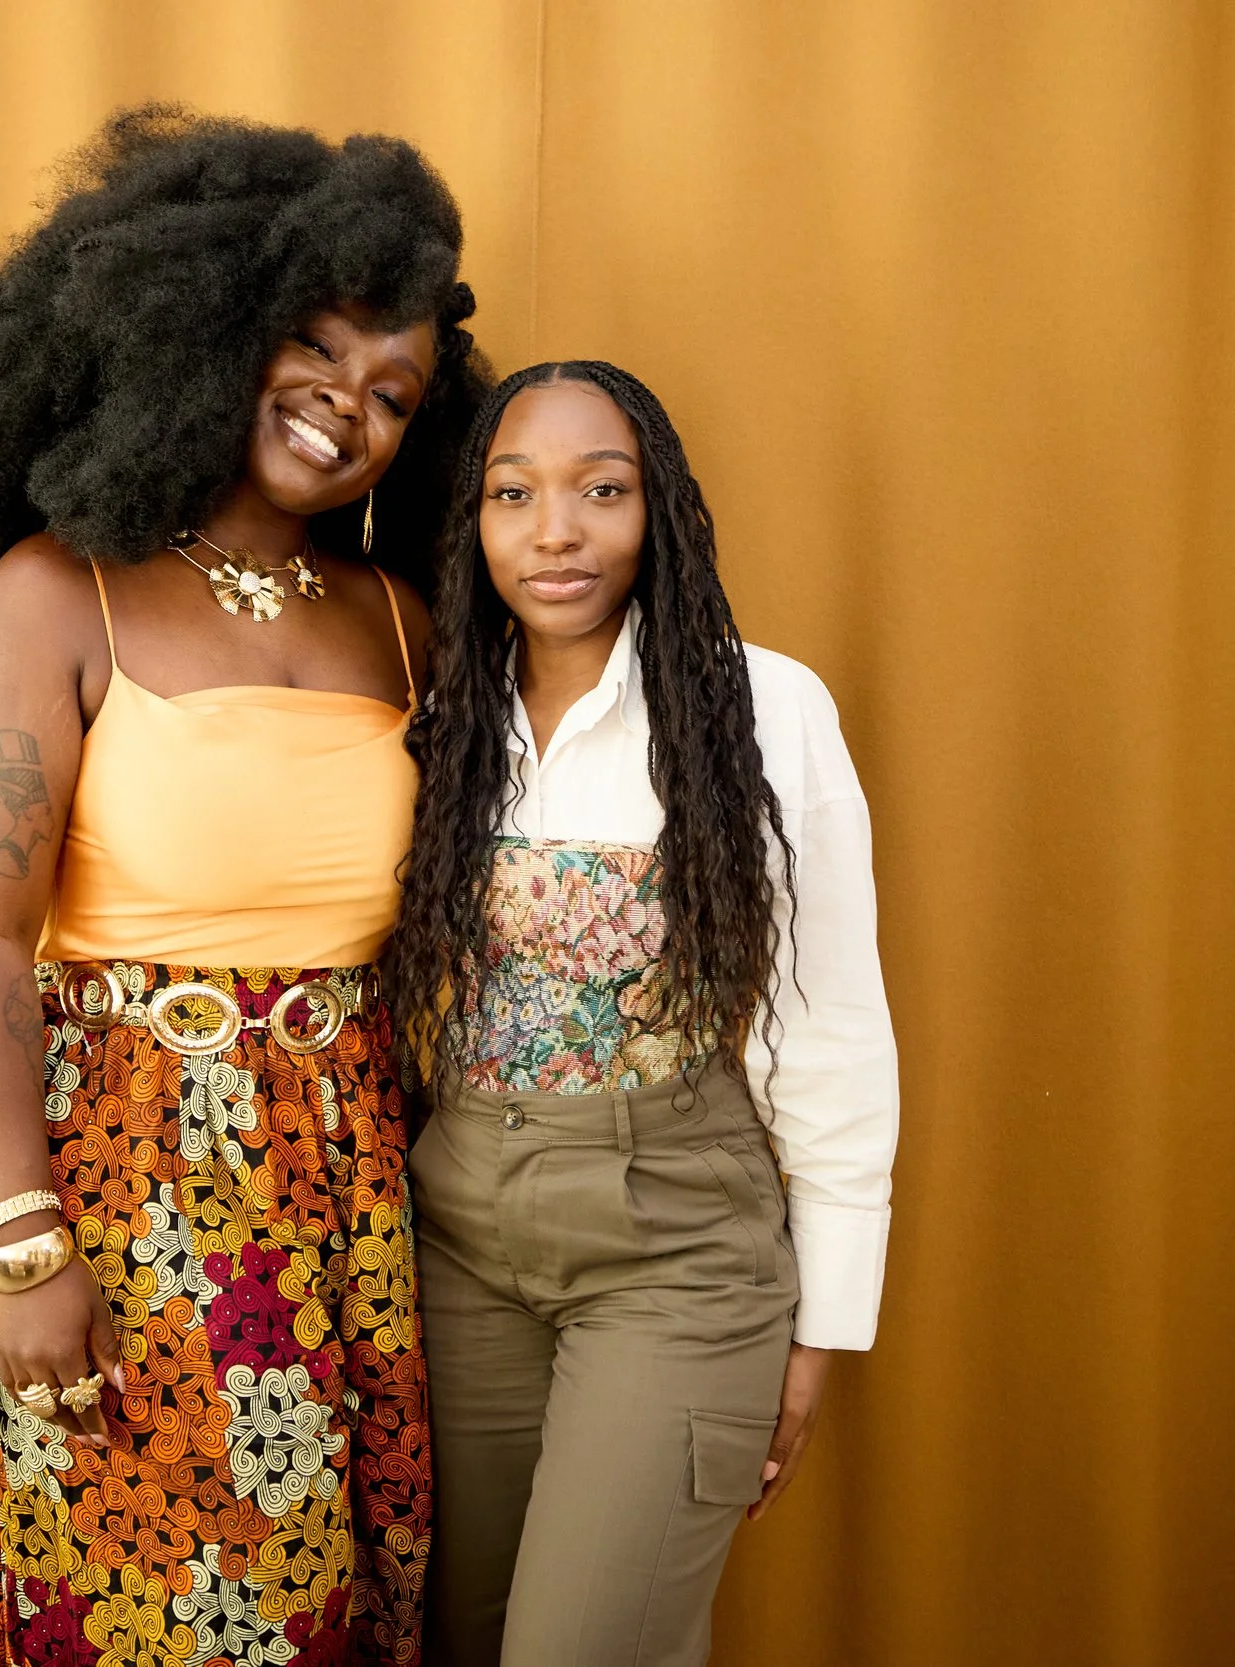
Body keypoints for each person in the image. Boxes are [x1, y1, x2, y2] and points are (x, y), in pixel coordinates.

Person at [0, 107, 489, 1665]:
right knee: (127, 1603)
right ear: (211, 324)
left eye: (392, 392)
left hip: (347, 1197)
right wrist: (27, 1242)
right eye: (317, 349)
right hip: (122, 1188)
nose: (347, 406)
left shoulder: (403, 621)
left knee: (322, 1613)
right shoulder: (53, 592)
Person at [381, 361, 899, 1665]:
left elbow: (825, 1024)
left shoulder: (763, 707)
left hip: (672, 1247)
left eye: (601, 491)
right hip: (459, 1243)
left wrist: (824, 1326)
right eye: (514, 494)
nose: (556, 531)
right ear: (473, 520)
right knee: (458, 1637)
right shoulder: (438, 707)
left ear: (658, 506)